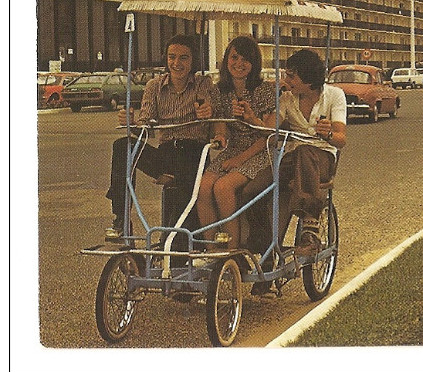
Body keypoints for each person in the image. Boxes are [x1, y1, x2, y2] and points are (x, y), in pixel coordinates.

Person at [105, 35, 217, 239]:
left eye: (184, 58)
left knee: (180, 211)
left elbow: (211, 111)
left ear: (193, 61)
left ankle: (173, 241)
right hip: (166, 154)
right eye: (172, 57)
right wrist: (131, 123)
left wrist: (207, 112)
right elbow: (146, 129)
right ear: (165, 58)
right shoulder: (154, 86)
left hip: (193, 155)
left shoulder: (203, 84)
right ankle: (121, 217)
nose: (177, 63)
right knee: (122, 146)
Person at [242, 49, 346, 268]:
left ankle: (310, 229)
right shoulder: (287, 99)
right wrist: (252, 117)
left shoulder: (334, 96)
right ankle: (263, 245)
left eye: (291, 76)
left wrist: (327, 133)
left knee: (304, 153)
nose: (285, 80)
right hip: (290, 160)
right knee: (251, 191)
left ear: (308, 80)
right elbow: (269, 131)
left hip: (322, 157)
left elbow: (340, 139)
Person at [196, 36, 277, 249]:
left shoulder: (265, 90)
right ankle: (211, 248)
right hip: (234, 148)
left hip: (261, 149)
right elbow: (222, 123)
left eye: (245, 60)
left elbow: (269, 134)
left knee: (223, 187)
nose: (239, 64)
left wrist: (239, 159)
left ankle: (232, 249)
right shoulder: (220, 90)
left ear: (254, 64)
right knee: (204, 186)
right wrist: (221, 137)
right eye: (234, 57)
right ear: (227, 59)